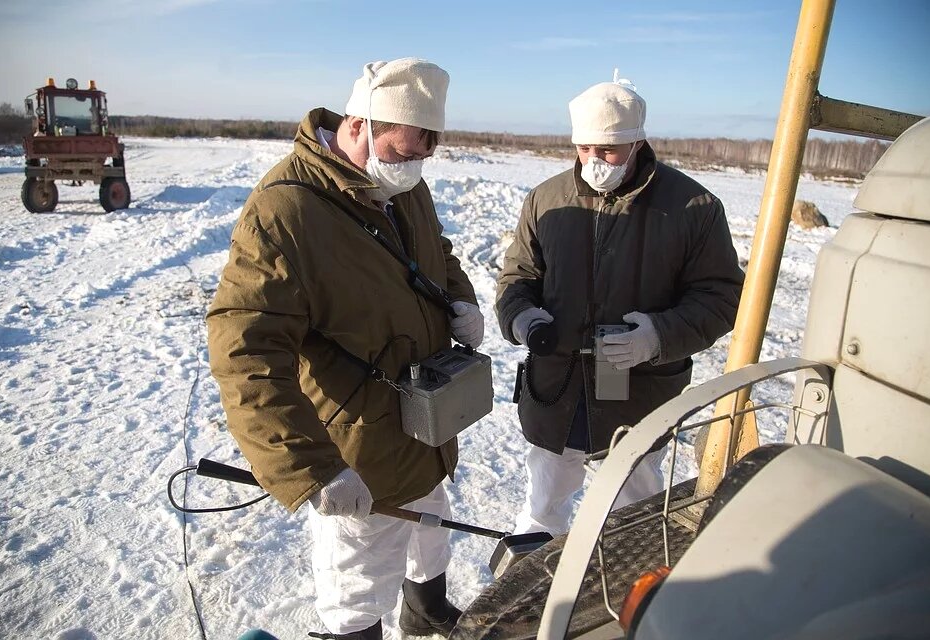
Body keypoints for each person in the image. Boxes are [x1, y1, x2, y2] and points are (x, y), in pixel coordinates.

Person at [207, 57, 484, 640]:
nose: (413, 168)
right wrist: (313, 470)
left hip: (427, 421)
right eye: (405, 152)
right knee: (357, 581)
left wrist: (460, 300)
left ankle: (426, 609)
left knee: (430, 521)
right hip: (359, 447)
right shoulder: (286, 211)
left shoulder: (399, 184)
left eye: (424, 156)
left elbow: (437, 252)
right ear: (361, 124)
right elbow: (245, 355)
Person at [495, 74, 744, 536]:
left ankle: (619, 598)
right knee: (542, 505)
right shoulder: (546, 199)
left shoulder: (694, 206)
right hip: (557, 389)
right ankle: (539, 590)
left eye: (607, 150)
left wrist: (658, 336)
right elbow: (517, 278)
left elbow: (722, 295)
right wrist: (521, 317)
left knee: (633, 516)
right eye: (584, 148)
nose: (593, 160)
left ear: (636, 142)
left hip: (637, 392)